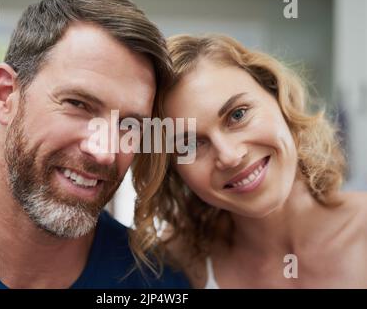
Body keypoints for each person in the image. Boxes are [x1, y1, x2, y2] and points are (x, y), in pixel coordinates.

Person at [0, 0, 189, 289]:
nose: (105, 152)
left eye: (129, 125)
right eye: (79, 104)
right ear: (5, 95)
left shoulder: (158, 285)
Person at [131, 34, 367, 288]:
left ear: (278, 98)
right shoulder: (175, 262)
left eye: (238, 115)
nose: (230, 156)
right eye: (189, 144)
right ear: (173, 170)